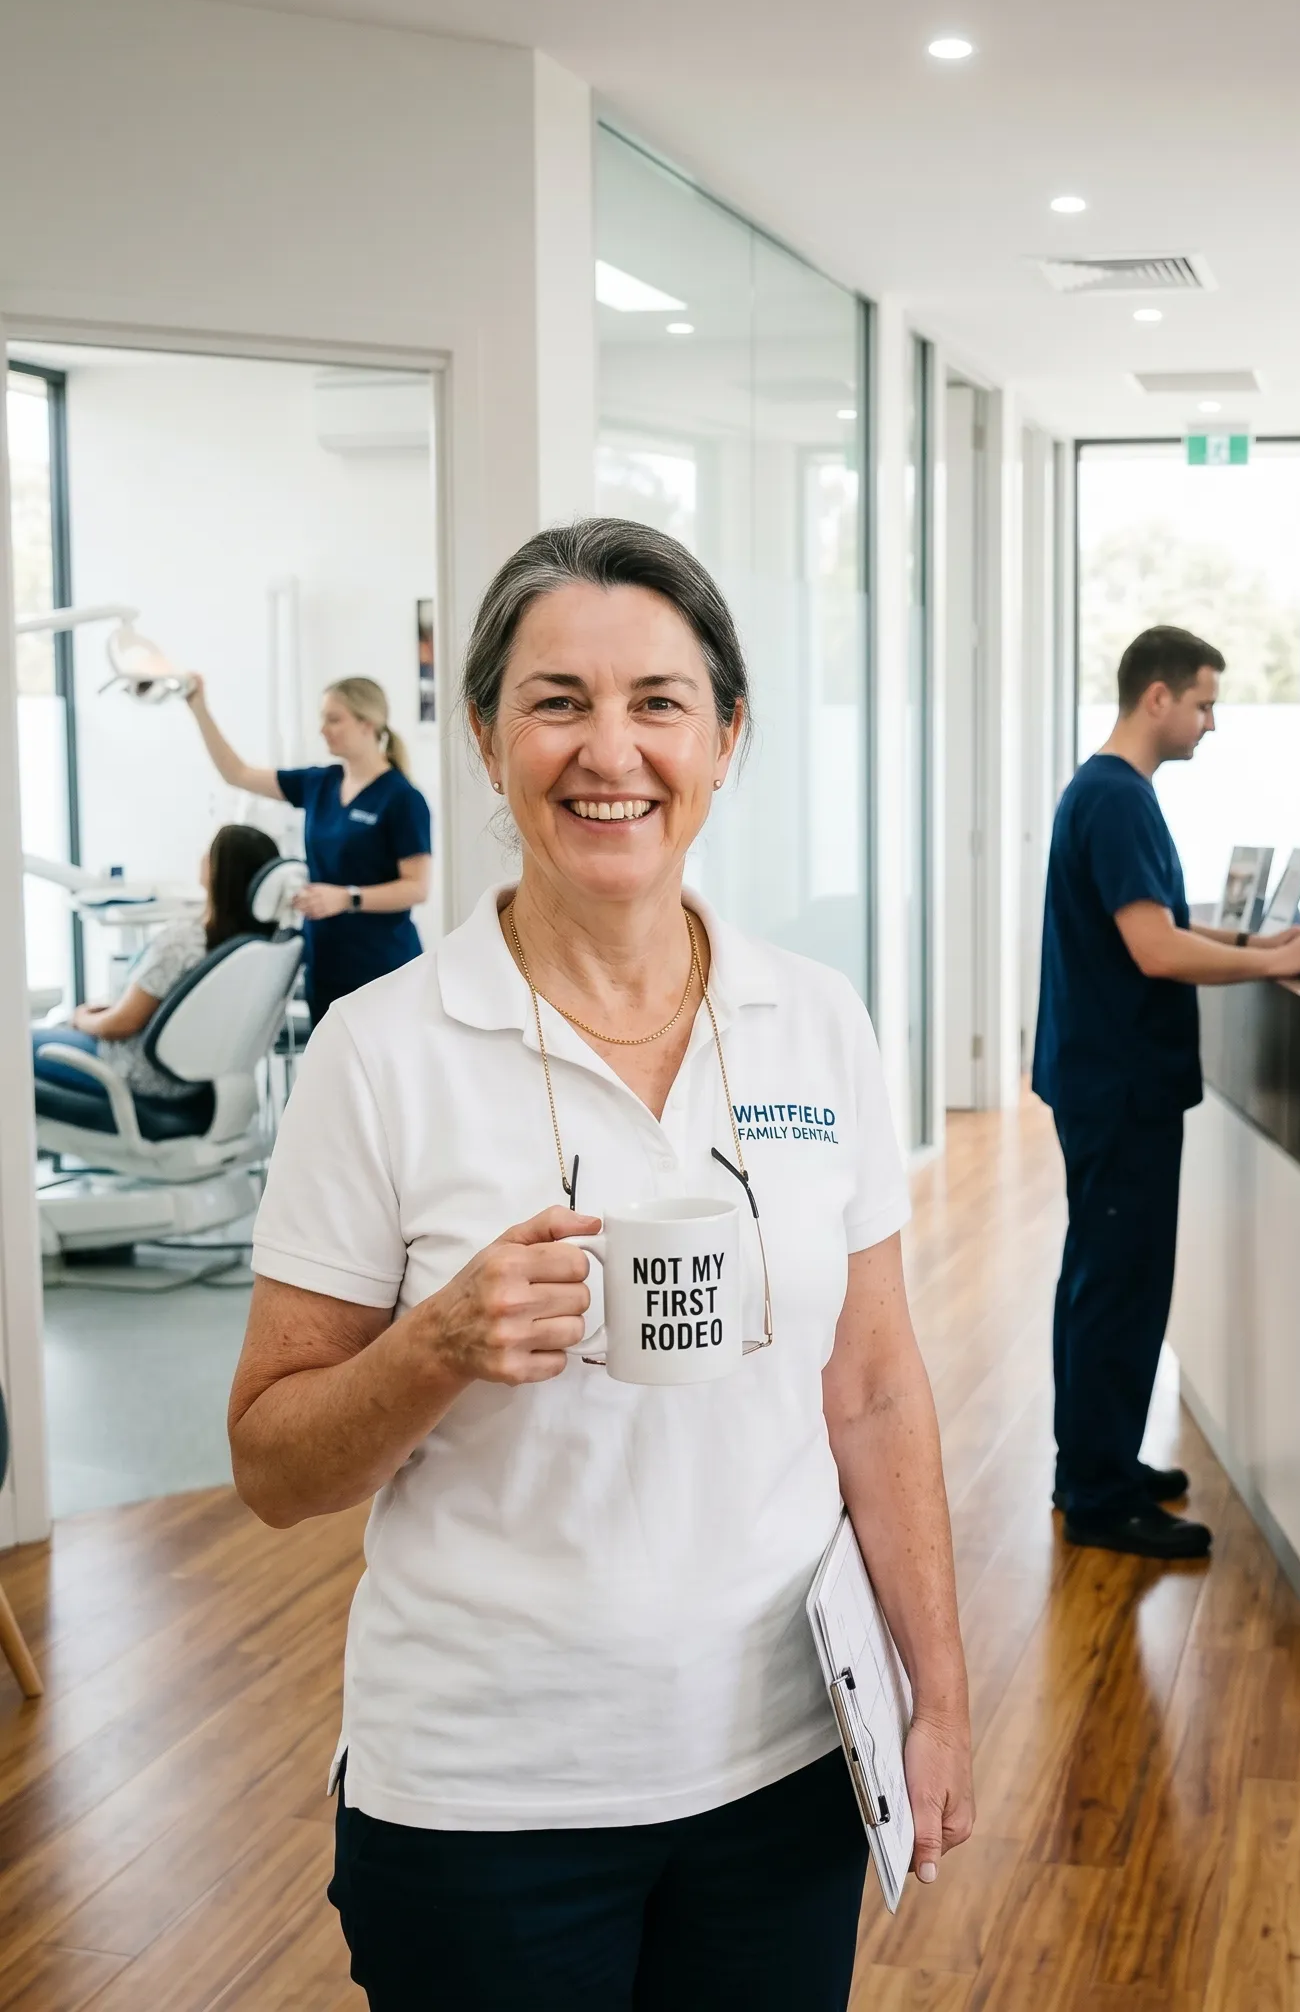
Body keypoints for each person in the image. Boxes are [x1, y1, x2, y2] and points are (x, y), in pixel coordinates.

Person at [228, 519, 972, 2011]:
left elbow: (878, 1389)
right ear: (490, 737)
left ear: (725, 736)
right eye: (558, 702)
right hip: (486, 1803)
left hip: (783, 1765)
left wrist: (936, 1696)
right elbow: (273, 1467)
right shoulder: (383, 1054)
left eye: (658, 703)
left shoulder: (817, 1020)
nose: (607, 750)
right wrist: (435, 1346)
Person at [1032, 625, 1300, 1561]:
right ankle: (1096, 1495)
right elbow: (1156, 949)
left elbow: (1161, 923)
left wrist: (1261, 946)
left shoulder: (1109, 792)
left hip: (1104, 1076)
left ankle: (1096, 1463)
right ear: (1155, 697)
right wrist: (1269, 962)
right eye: (1205, 702)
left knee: (1101, 1278)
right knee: (1116, 1287)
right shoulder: (1118, 800)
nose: (1212, 723)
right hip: (1118, 1083)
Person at [184, 672, 432, 1026]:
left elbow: (416, 888)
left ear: (368, 724)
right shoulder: (320, 782)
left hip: (382, 966)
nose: (323, 729)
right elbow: (236, 774)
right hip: (325, 960)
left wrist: (347, 898)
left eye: (334, 719)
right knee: (329, 1075)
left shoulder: (402, 799)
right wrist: (199, 709)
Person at [32, 823, 279, 1100]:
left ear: (221, 872)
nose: (201, 855)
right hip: (189, 1080)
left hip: (132, 1072)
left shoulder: (182, 942)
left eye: (209, 851)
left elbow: (122, 1024)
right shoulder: (255, 948)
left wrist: (81, 1019)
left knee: (15, 1046)